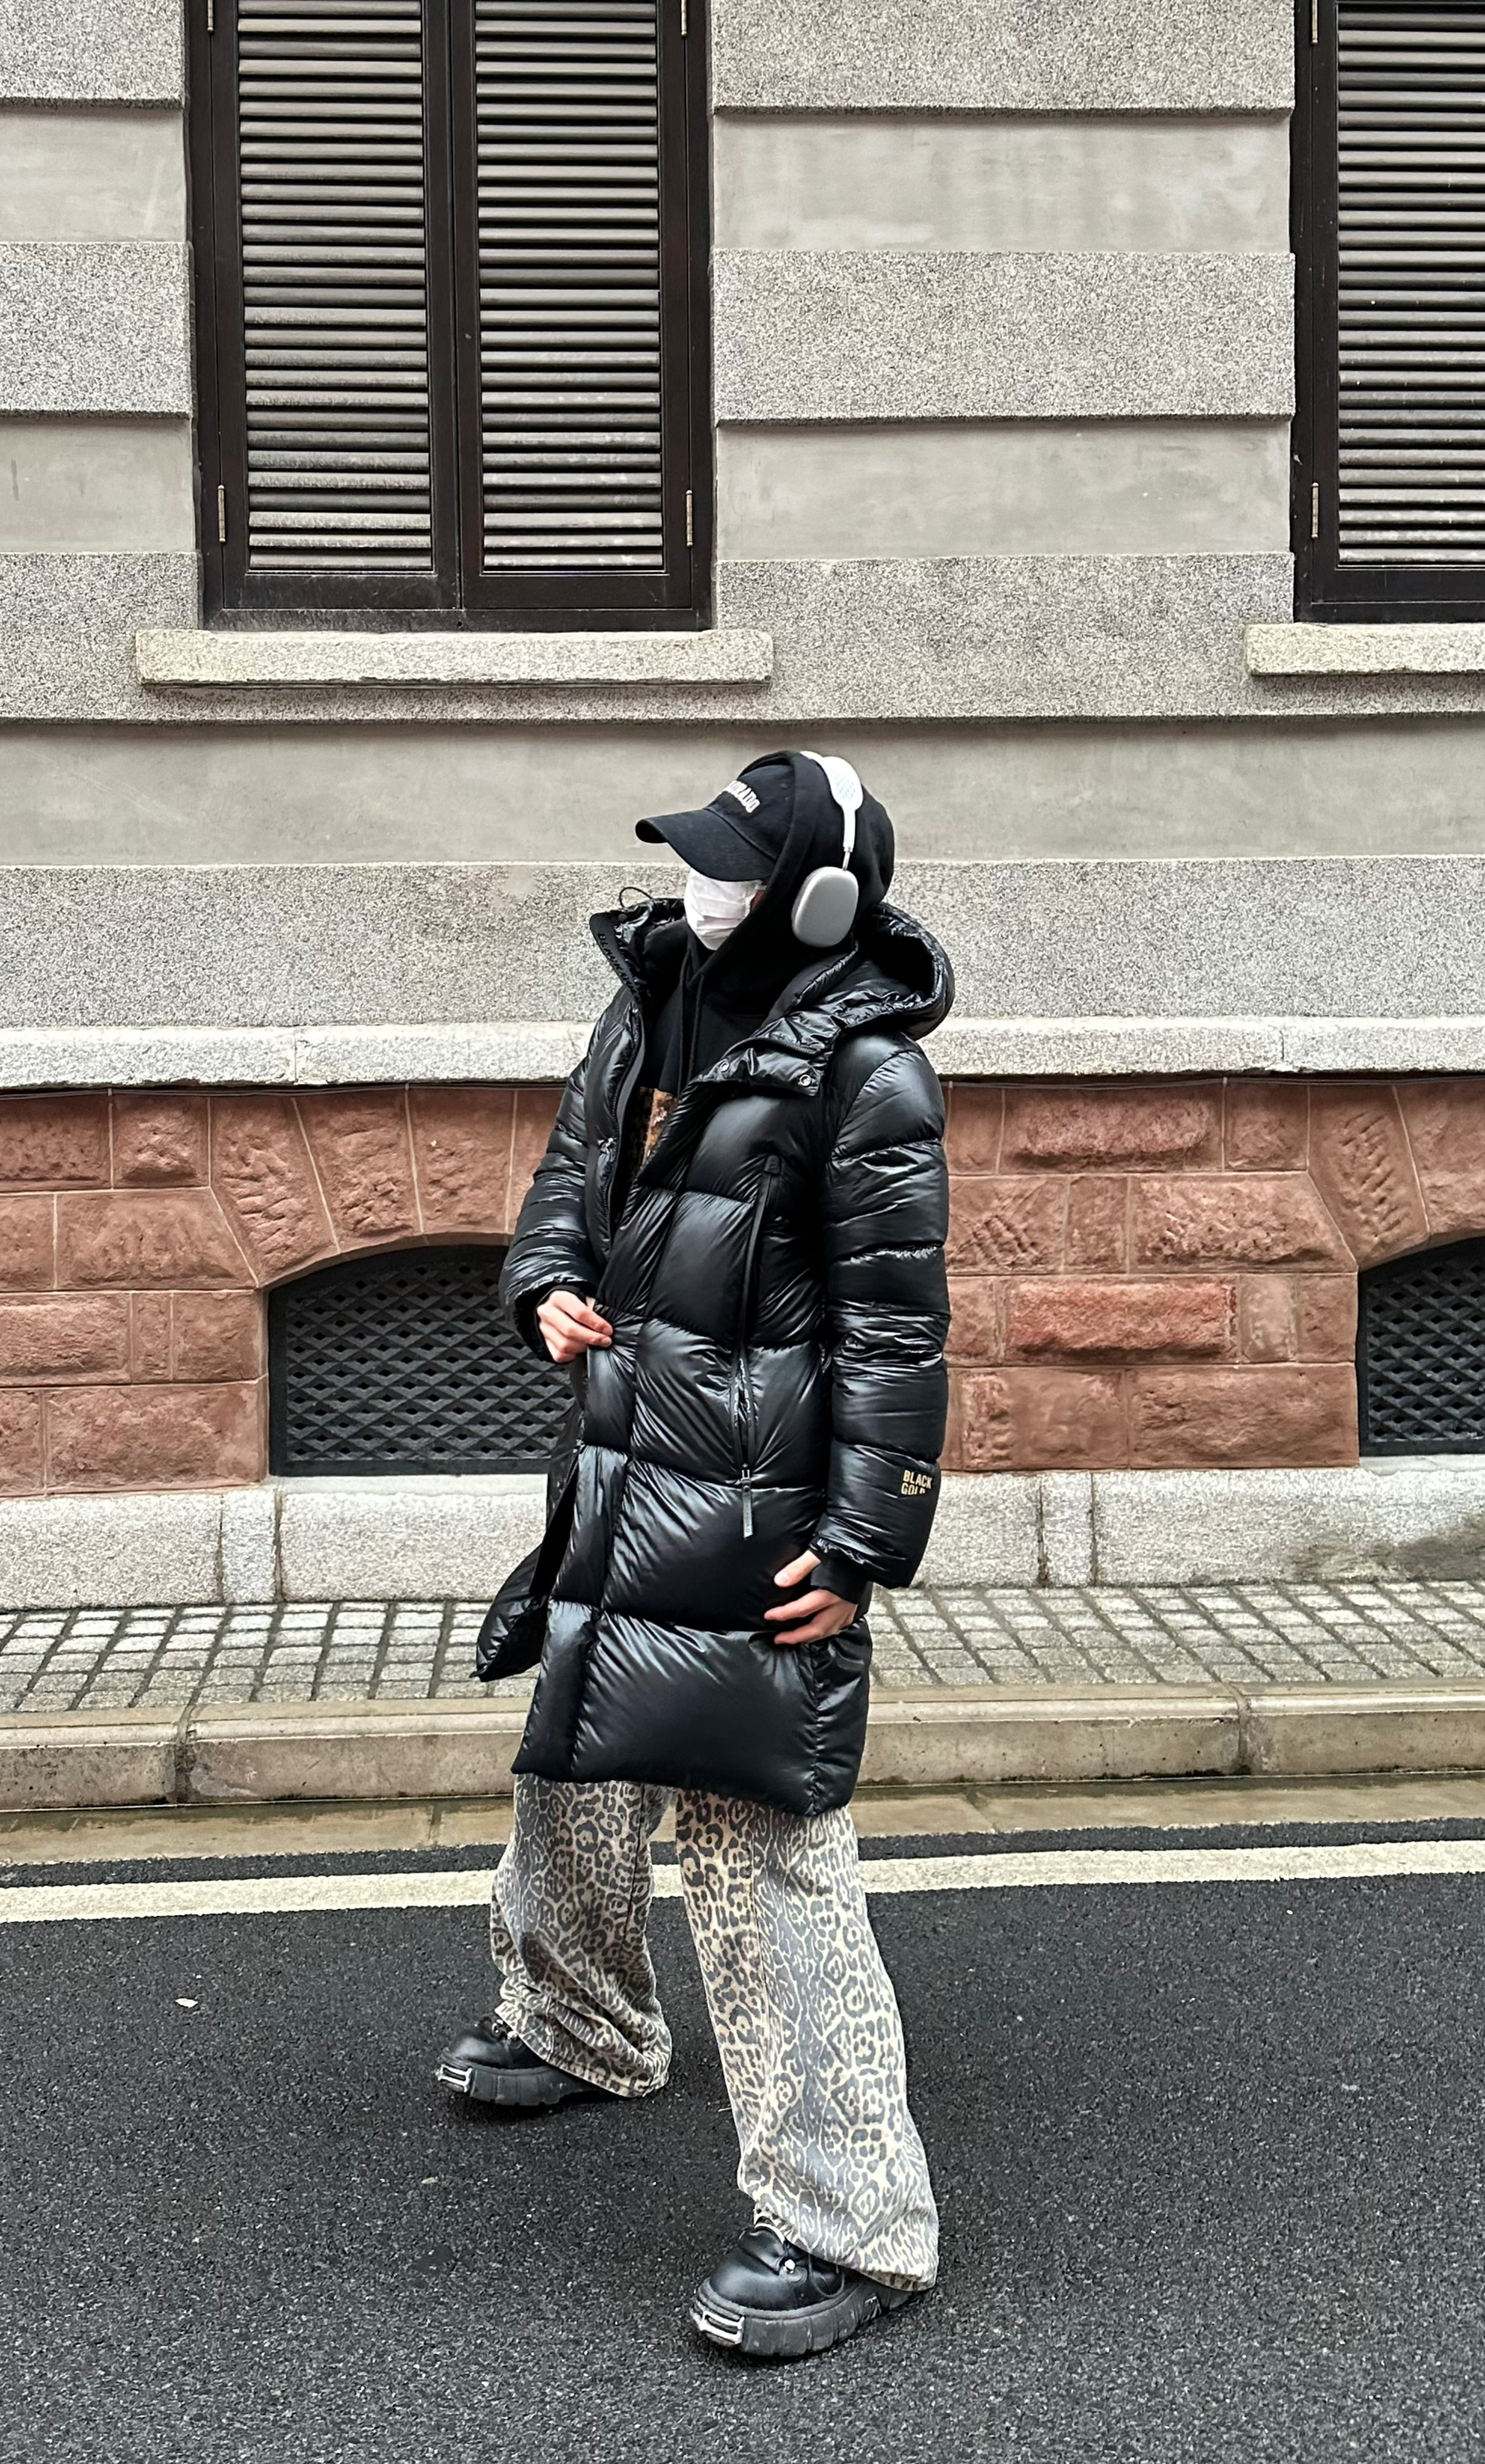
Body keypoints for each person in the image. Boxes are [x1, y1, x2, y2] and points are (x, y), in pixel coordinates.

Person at [435, 750, 953, 2361]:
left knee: (758, 1838)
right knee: (573, 1756)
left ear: (818, 898)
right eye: (696, 858)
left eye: (732, 867)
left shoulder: (864, 1074)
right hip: (618, 1460)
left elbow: (895, 1333)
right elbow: (563, 1182)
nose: (698, 887)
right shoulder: (647, 1001)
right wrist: (543, 1287)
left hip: (753, 1503)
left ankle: (851, 2223)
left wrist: (863, 1540)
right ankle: (582, 2023)